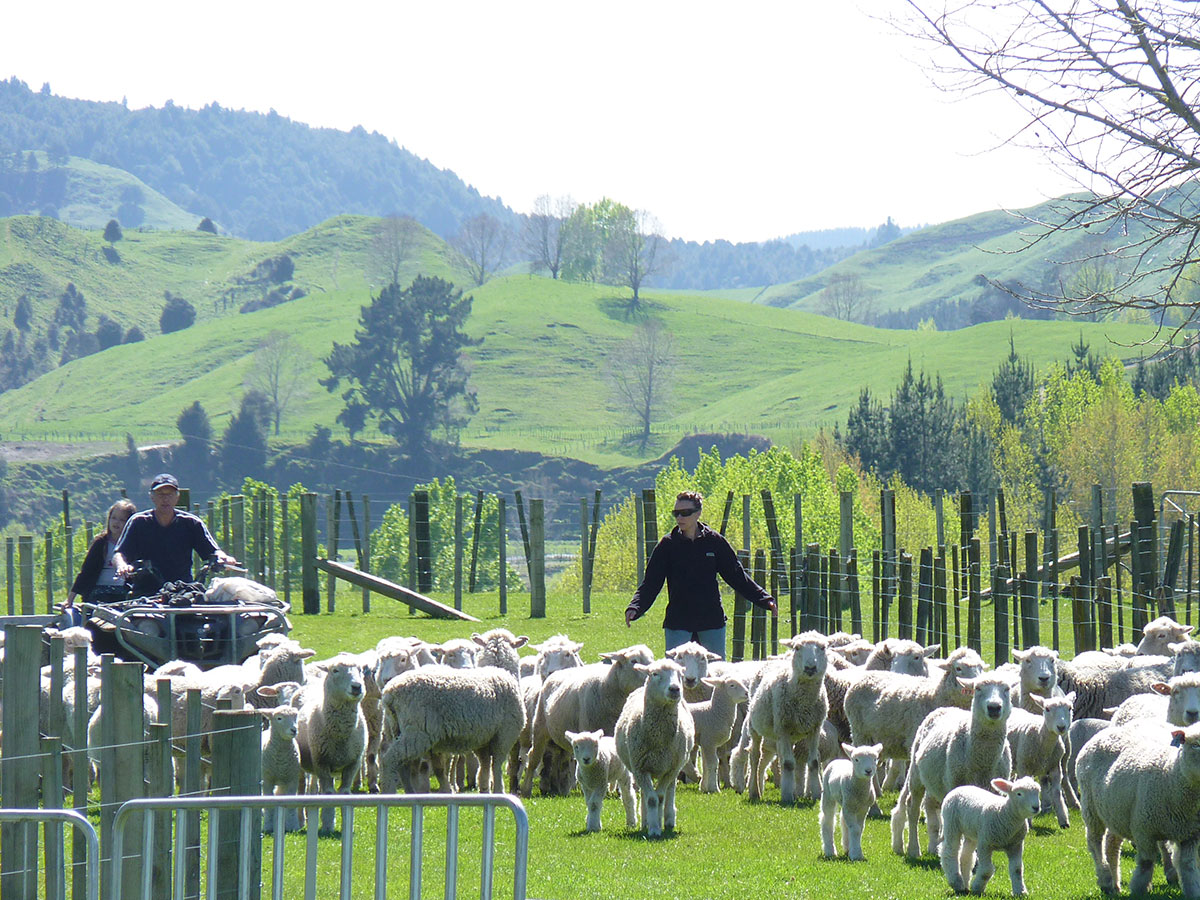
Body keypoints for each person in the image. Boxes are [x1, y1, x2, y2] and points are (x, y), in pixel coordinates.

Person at [624, 490, 776, 659]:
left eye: (685, 513)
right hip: (678, 622)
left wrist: (764, 599)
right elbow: (651, 583)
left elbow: (737, 576)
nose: (679, 518)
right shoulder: (667, 545)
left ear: (698, 513)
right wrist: (635, 607)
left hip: (711, 621)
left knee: (714, 674)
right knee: (677, 675)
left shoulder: (714, 542)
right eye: (676, 513)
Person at [113, 473, 239, 588]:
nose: (165, 499)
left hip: (182, 590)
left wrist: (223, 558)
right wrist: (122, 566)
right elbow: (119, 553)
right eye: (160, 494)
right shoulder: (138, 522)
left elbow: (213, 551)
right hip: (145, 592)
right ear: (152, 497)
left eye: (170, 494)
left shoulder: (191, 523)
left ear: (177, 497)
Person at [62, 498, 138, 615]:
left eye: (122, 520)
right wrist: (70, 599)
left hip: (125, 592)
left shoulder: (134, 544)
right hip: (99, 591)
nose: (116, 522)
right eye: (113, 518)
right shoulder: (101, 542)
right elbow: (86, 572)